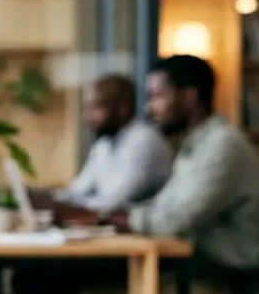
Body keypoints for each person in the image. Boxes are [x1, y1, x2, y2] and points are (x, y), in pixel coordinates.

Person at [15, 55, 259, 294]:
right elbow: (161, 209)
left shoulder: (222, 146)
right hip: (185, 259)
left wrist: (106, 219)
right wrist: (107, 218)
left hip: (220, 272)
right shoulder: (195, 146)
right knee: (42, 276)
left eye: (158, 96)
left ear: (190, 97)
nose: (149, 109)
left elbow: (173, 221)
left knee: (52, 282)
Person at [53, 74, 173, 213]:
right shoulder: (105, 143)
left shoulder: (144, 140)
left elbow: (114, 202)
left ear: (123, 108)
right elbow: (77, 190)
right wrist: (50, 199)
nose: (87, 117)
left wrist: (69, 206)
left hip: (148, 232)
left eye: (95, 108)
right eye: (87, 108)